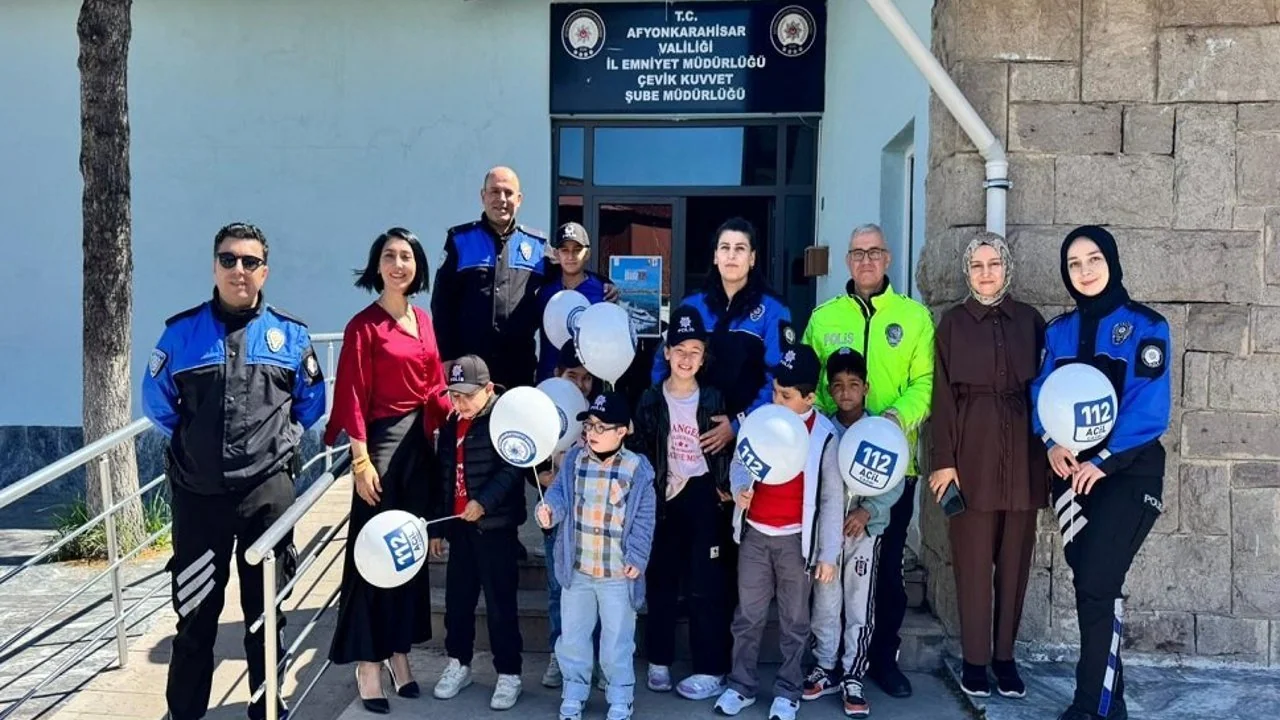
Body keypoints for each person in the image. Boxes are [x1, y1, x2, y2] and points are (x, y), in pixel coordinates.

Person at [141, 222, 326, 720]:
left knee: (266, 615)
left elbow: (310, 407)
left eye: (249, 261)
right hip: (199, 499)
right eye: (228, 259)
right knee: (196, 616)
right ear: (214, 266)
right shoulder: (181, 334)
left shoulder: (290, 336)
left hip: (268, 498)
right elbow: (158, 406)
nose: (238, 270)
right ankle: (184, 713)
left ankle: (267, 705)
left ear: (264, 270)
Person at [1031, 226, 1171, 720]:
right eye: (1074, 263)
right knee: (1093, 588)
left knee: (1097, 583)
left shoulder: (1146, 327)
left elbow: (1148, 408)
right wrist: (1049, 443)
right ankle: (1114, 706)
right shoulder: (1057, 332)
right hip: (1068, 478)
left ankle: (1089, 707)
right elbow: (1041, 396)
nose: (1085, 271)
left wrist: (1103, 460)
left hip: (1128, 477)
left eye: (1093, 259)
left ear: (1111, 261)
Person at [800, 223, 934, 698]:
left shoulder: (914, 317)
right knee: (829, 568)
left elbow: (926, 382)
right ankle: (828, 659)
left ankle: (881, 659)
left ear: (889, 258)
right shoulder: (824, 317)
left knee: (887, 570)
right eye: (857, 253)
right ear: (847, 262)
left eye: (875, 252)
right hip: (833, 472)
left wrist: (896, 419)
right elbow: (811, 389)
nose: (866, 260)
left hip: (890, 468)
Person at [324, 228, 451, 714]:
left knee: (407, 555)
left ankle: (401, 657)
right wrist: (359, 460)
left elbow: (434, 386)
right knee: (371, 560)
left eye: (407, 257)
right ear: (376, 266)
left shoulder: (424, 319)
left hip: (420, 448)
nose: (399, 264)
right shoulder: (364, 326)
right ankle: (369, 666)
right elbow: (352, 394)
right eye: (389, 256)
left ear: (417, 265)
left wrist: (470, 404)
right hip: (379, 447)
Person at [928, 232, 1048, 700]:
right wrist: (943, 462)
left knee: (1015, 565)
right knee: (974, 564)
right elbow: (941, 398)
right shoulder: (953, 325)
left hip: (1023, 458)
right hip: (971, 457)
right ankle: (975, 659)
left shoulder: (1031, 321)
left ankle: (1005, 658)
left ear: (1006, 267)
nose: (985, 273)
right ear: (967, 271)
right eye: (976, 265)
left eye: (993, 264)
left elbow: (1048, 391)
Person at [714, 344, 843, 720]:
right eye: (774, 391)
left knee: (794, 621)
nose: (776, 400)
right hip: (755, 534)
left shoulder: (824, 436)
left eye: (786, 396)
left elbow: (833, 498)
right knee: (748, 616)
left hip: (795, 541)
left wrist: (828, 554)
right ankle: (742, 685)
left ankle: (788, 690)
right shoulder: (761, 419)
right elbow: (741, 461)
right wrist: (740, 489)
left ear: (809, 397)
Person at [627, 306, 734, 700]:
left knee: (707, 584)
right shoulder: (651, 399)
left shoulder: (713, 396)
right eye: (680, 349)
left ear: (704, 357)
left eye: (695, 350)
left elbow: (725, 448)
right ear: (667, 353)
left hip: (704, 493)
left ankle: (711, 667)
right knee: (662, 579)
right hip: (664, 496)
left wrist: (724, 485)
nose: (687, 358)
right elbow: (639, 450)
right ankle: (659, 659)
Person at [536, 392, 657, 720]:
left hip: (617, 574)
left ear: (622, 431)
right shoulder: (575, 460)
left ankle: (620, 695)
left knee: (616, 641)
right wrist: (549, 511)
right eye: (589, 426)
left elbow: (645, 518)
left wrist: (638, 555)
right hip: (578, 570)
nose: (592, 433)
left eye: (601, 427)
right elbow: (558, 494)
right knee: (573, 638)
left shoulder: (636, 468)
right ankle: (574, 691)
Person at [801, 348, 903, 718]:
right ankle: (824, 665)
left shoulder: (880, 432)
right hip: (828, 535)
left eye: (853, 385)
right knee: (826, 600)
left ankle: (853, 672)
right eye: (838, 386)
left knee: (859, 601)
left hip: (863, 533)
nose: (846, 393)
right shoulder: (824, 431)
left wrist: (868, 510)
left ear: (866, 387)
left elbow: (894, 482)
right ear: (829, 390)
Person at [428, 355, 528, 711]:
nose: (460, 402)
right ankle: (459, 662)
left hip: (495, 527)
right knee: (458, 601)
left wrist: (483, 503)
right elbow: (443, 477)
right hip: (460, 528)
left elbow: (513, 468)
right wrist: (439, 524)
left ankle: (509, 673)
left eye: (468, 395)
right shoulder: (452, 421)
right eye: (454, 395)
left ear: (488, 389)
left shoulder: (504, 420)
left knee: (500, 604)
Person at [431, 167, 549, 391]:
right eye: (494, 192)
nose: (501, 199)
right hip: (469, 367)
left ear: (519, 199)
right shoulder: (460, 240)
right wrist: (447, 356)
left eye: (508, 192)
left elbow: (570, 273)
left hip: (518, 368)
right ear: (483, 196)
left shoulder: (538, 247)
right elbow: (442, 303)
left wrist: (602, 285)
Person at [537, 338, 603, 690]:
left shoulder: (602, 416)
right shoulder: (546, 412)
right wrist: (543, 477)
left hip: (596, 522)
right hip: (560, 521)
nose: (580, 385)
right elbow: (527, 460)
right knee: (557, 590)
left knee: (597, 593)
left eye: (587, 379)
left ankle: (594, 660)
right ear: (557, 374)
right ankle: (558, 655)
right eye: (573, 376)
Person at [536, 222, 609, 383]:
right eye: (564, 250)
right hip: (550, 377)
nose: (570, 256)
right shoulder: (545, 292)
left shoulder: (602, 291)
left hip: (588, 381)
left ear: (587, 253)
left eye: (577, 250)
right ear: (556, 254)